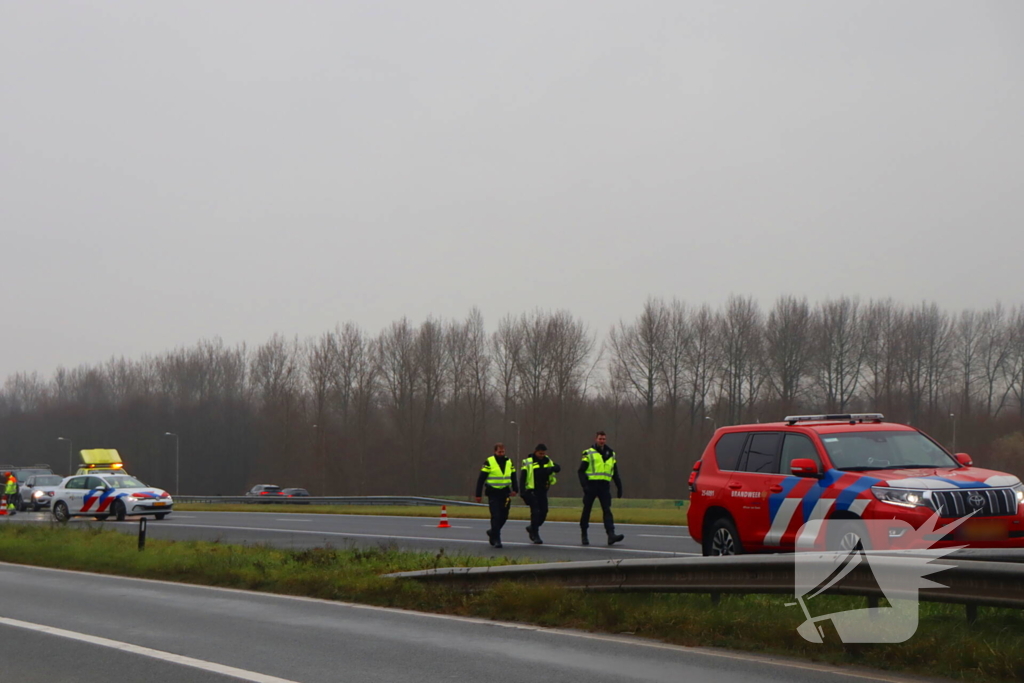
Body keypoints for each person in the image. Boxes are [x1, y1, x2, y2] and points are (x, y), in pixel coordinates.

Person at [579, 430, 623, 546]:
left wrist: (619, 487)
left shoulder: (611, 453)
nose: (602, 441)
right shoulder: (588, 453)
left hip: (604, 486)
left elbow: (615, 472)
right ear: (596, 439)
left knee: (607, 510)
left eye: (603, 439)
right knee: (587, 510)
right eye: (600, 439)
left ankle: (611, 535)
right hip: (591, 486)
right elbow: (581, 471)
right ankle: (584, 534)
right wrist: (585, 486)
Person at [474, 442, 518, 548]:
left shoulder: (509, 461)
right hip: (493, 492)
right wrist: (478, 494)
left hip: (505, 492)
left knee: (504, 516)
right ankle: (497, 539)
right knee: (496, 516)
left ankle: (493, 531)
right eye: (499, 452)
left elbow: (513, 476)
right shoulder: (489, 462)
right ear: (495, 451)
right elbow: (481, 479)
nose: (501, 453)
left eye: (503, 451)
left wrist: (516, 489)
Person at [519, 444, 561, 544]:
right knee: (535, 512)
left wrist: (552, 469)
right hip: (532, 490)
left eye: (543, 453)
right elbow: (522, 478)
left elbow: (558, 467)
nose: (542, 455)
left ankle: (532, 527)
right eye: (540, 453)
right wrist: (522, 492)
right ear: (535, 451)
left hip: (543, 490)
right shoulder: (529, 462)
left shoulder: (547, 461)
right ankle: (535, 534)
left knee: (544, 511)